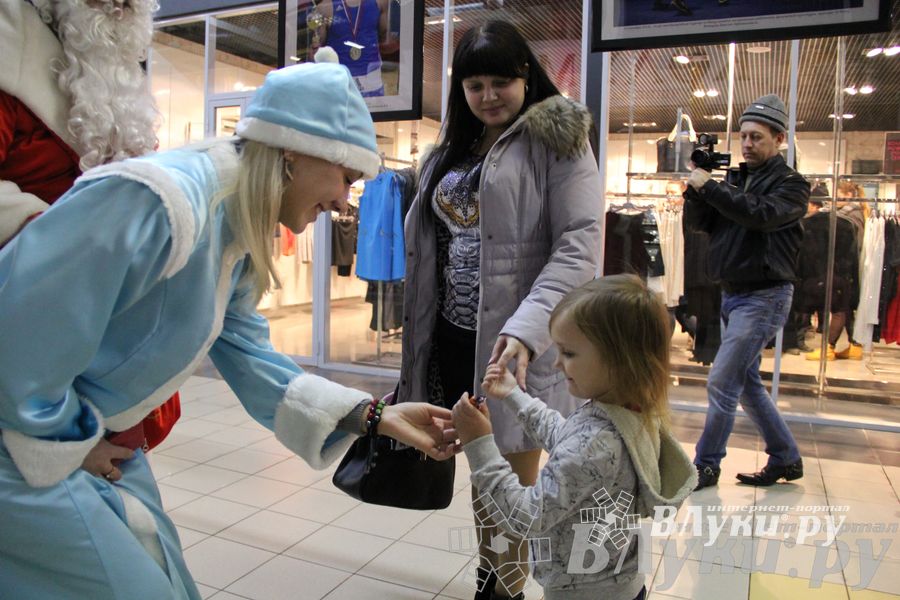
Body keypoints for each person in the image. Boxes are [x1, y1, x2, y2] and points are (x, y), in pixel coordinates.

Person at [0, 49, 457, 599]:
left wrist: (373, 415)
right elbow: (17, 334)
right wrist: (70, 444)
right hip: (28, 445)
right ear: (294, 153)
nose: (342, 201)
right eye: (344, 176)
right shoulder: (156, 200)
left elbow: (247, 353)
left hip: (79, 438)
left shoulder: (231, 225)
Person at [399, 19, 602, 600]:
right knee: (481, 472)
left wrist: (526, 331)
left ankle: (502, 589)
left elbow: (578, 246)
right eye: (473, 84)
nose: (487, 96)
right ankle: (493, 579)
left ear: (526, 78)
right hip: (450, 336)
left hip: (514, 345)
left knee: (512, 475)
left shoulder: (558, 139)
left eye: (500, 82)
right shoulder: (453, 146)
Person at [0, 0, 182, 480]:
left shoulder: (110, 62)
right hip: (32, 346)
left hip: (103, 342)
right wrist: (69, 243)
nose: (122, 5)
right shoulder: (10, 42)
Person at [451, 275, 696, 600]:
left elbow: (524, 516)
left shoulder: (597, 442)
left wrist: (479, 444)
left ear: (617, 358)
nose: (556, 362)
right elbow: (565, 435)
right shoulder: (628, 411)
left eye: (568, 352)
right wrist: (513, 395)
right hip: (619, 584)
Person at [685, 93, 809, 490]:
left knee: (722, 380)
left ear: (779, 139)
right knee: (747, 383)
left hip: (765, 295)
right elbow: (700, 225)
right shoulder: (735, 180)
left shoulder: (792, 185)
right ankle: (786, 457)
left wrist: (714, 189)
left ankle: (705, 465)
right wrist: (695, 190)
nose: (748, 144)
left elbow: (760, 216)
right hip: (732, 294)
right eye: (744, 137)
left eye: (757, 137)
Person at [307, 0, 390, 97]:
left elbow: (385, 39)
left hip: (370, 82)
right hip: (341, 84)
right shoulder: (325, 8)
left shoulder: (381, 2)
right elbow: (316, 51)